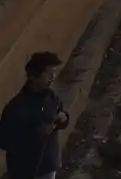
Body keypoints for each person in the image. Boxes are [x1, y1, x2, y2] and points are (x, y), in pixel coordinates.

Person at [0, 51, 69, 179]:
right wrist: (36, 135)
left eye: (54, 72)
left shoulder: (52, 97)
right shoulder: (16, 107)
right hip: (25, 172)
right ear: (33, 76)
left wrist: (63, 119)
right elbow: (4, 141)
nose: (53, 77)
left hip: (48, 167)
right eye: (48, 73)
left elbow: (60, 114)